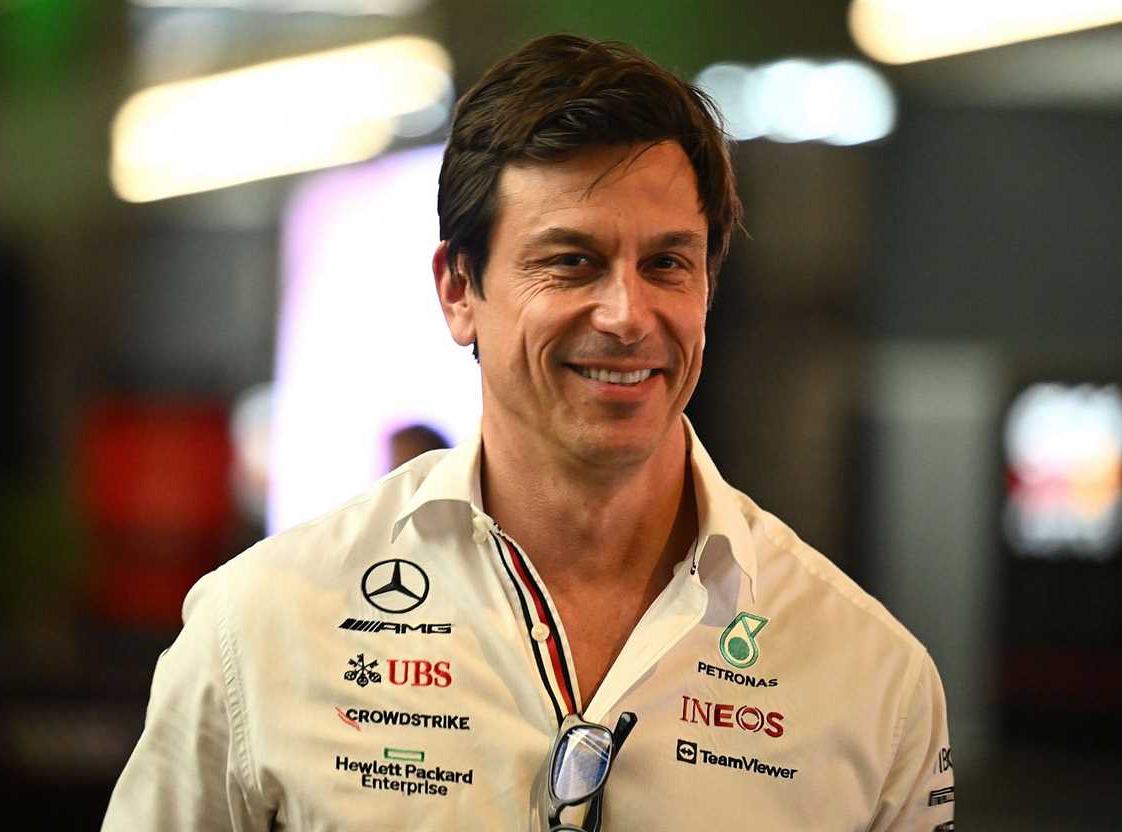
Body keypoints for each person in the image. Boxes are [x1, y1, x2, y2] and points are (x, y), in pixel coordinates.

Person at [103, 34, 954, 831]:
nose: (627, 316)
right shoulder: (258, 630)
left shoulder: (876, 681)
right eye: (571, 261)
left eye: (667, 264)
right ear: (458, 290)